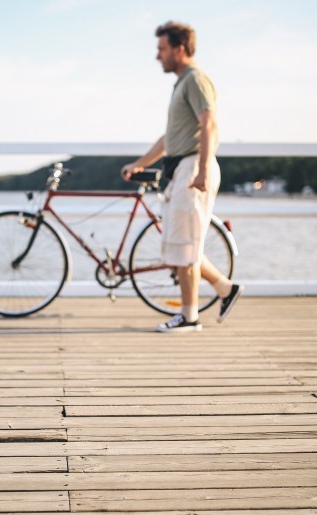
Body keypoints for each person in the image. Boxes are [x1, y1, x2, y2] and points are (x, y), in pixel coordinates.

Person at [121, 21, 242, 333]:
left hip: (193, 169)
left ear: (180, 48)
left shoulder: (196, 80)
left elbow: (209, 124)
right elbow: (169, 139)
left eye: (161, 49)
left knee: (185, 247)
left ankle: (190, 318)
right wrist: (139, 163)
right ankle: (225, 289)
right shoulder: (183, 83)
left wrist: (201, 170)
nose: (157, 56)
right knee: (181, 245)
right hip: (182, 167)